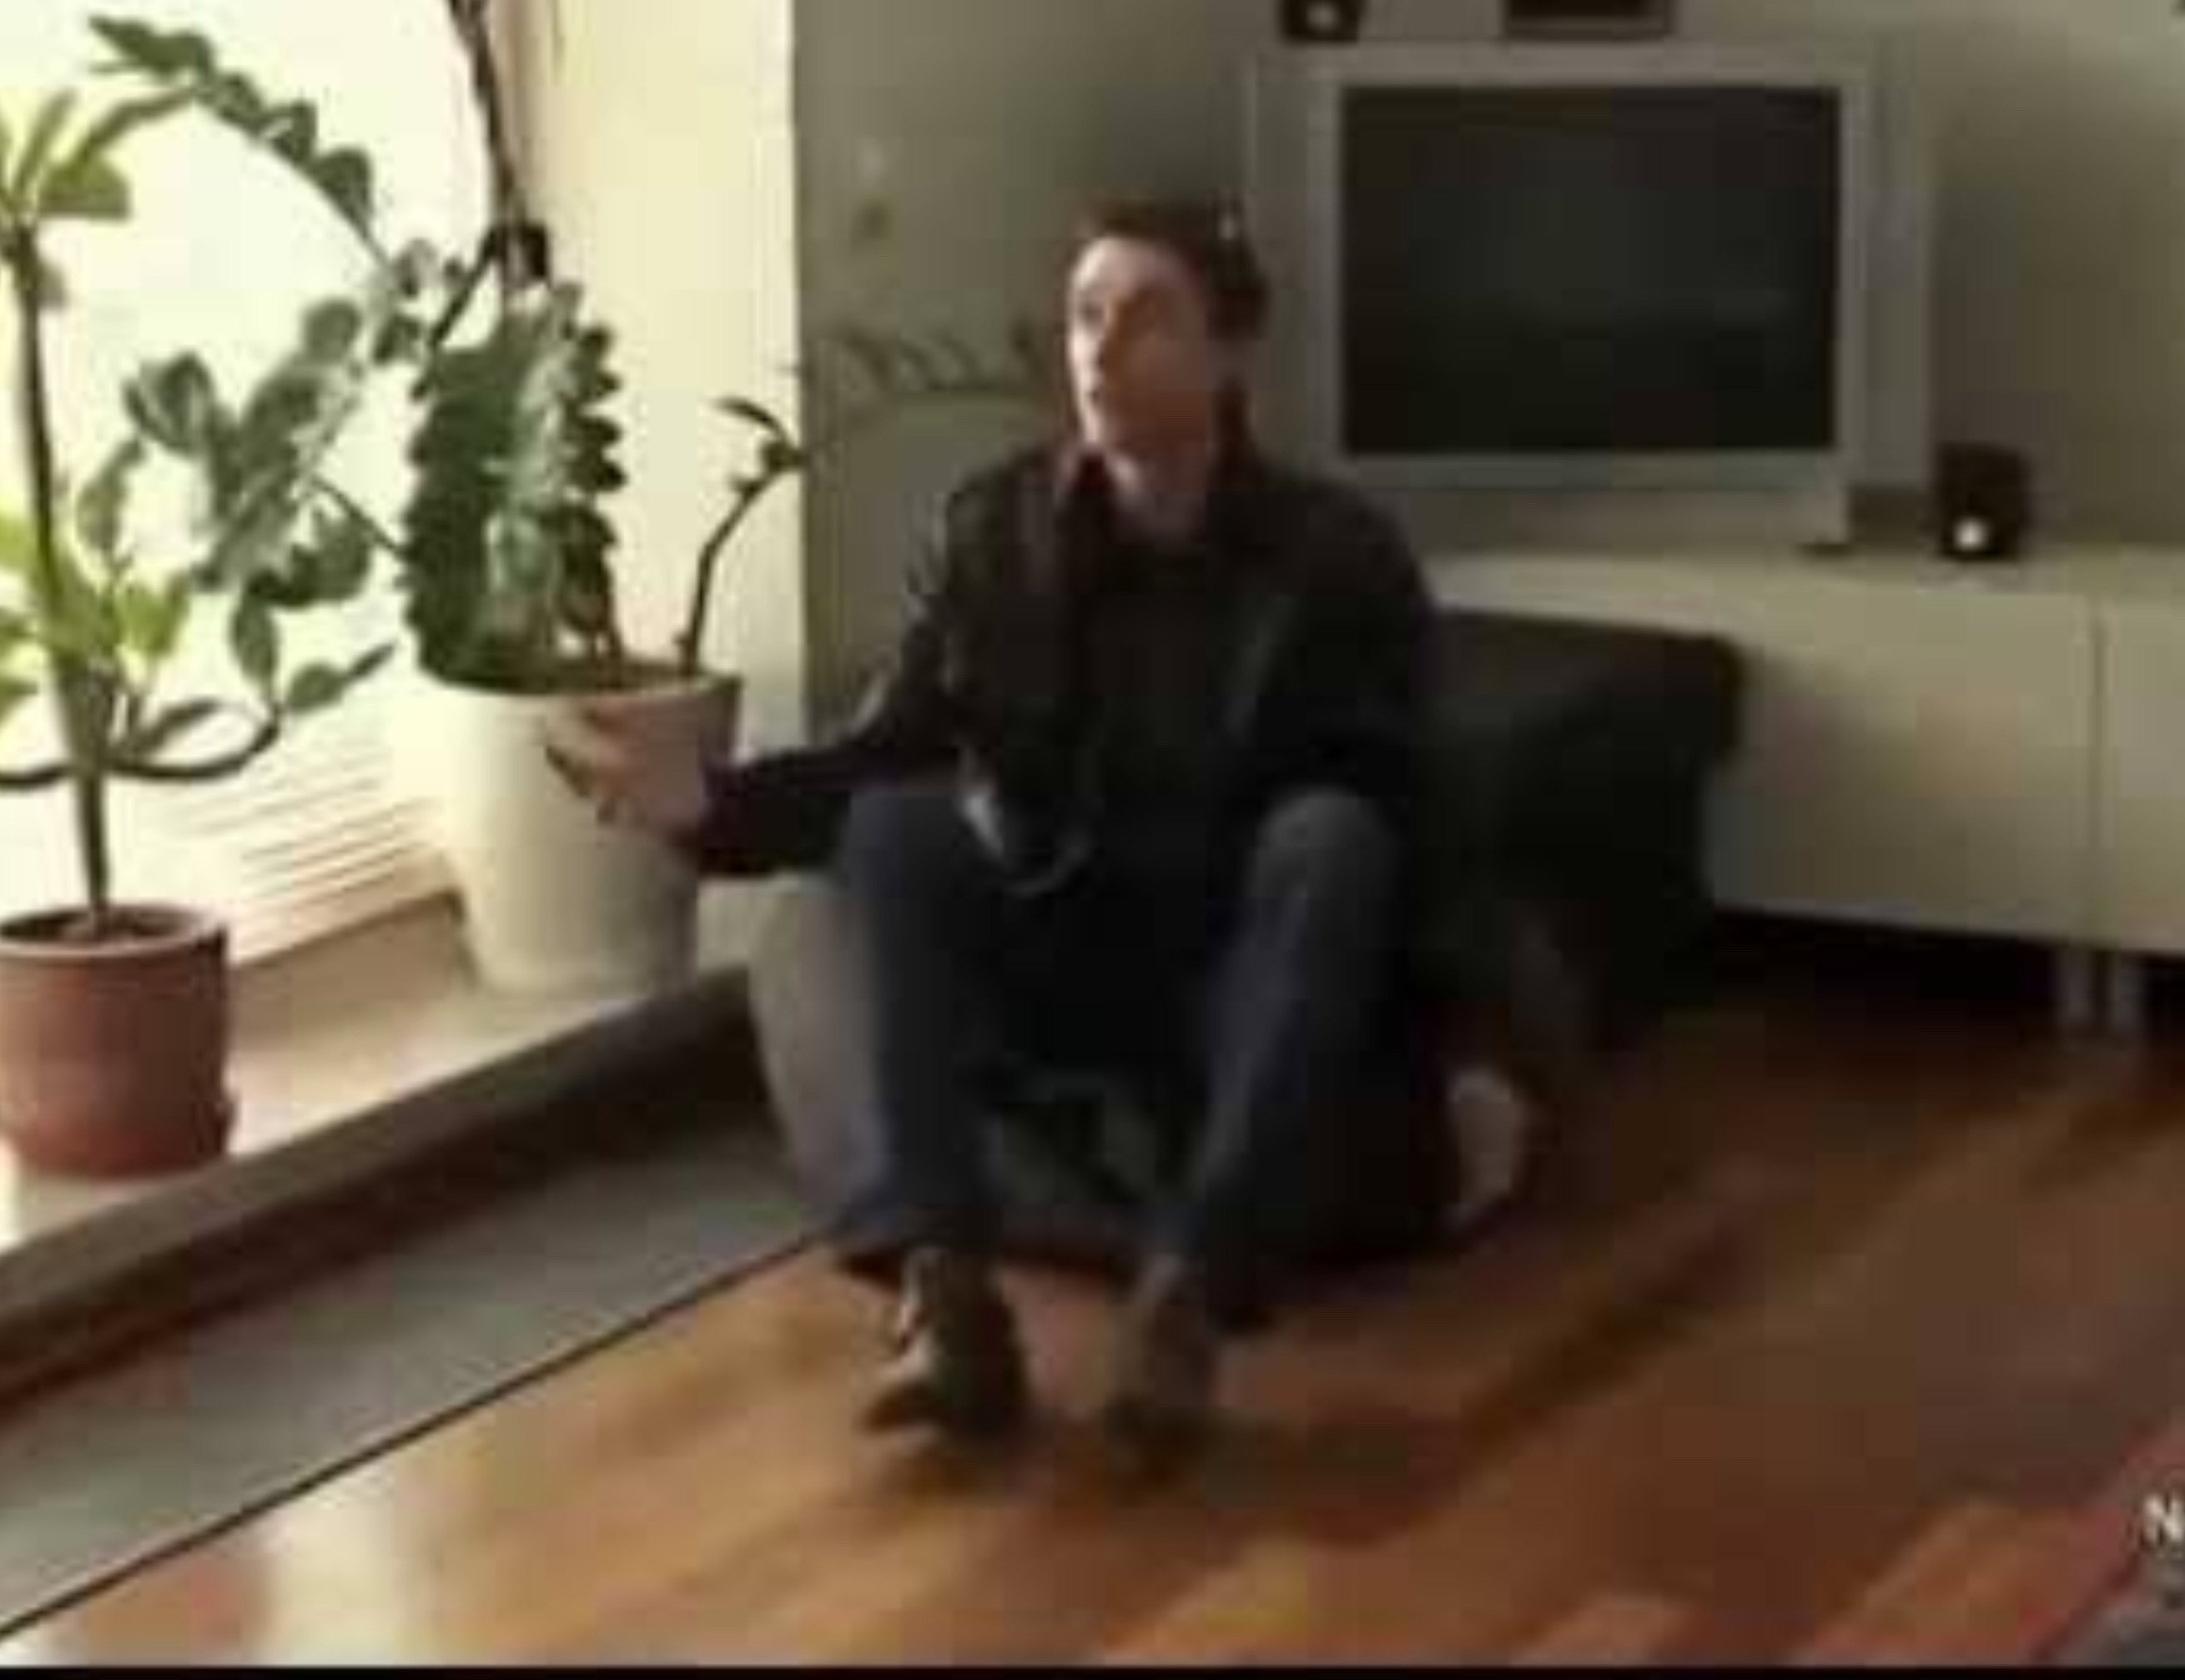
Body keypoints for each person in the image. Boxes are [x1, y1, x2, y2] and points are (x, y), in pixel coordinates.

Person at [546, 199, 1515, 1462]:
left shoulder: (1338, 559)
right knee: (888, 834)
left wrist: (1477, 1050)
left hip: (1238, 979)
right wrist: (712, 804)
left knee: (1334, 836)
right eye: (1084, 317)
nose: (1102, 349)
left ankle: (1187, 1297)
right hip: (1055, 941)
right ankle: (946, 1298)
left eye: (1147, 318)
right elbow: (883, 756)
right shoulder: (993, 531)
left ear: (1230, 353)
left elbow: (1419, 820)